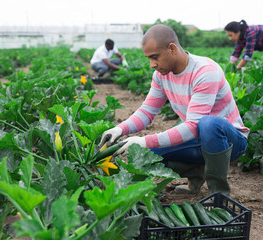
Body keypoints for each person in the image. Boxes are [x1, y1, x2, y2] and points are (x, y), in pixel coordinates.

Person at [99, 24, 249, 196]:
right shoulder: (161, 76)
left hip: (230, 141)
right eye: (148, 58)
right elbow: (147, 112)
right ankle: (196, 173)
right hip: (197, 139)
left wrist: (144, 140)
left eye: (155, 57)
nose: (151, 64)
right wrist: (120, 129)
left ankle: (219, 194)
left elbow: (194, 125)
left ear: (171, 48)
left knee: (209, 124)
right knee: (147, 155)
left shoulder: (205, 71)